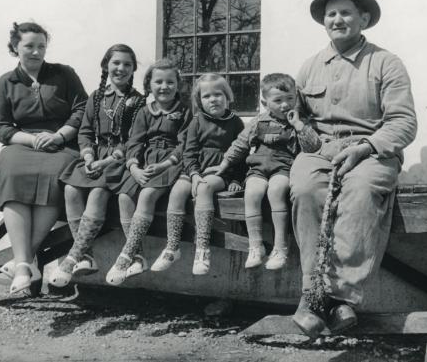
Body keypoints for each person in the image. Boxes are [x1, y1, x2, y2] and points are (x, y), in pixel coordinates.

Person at [290, 0, 417, 336]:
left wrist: (365, 148)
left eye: (346, 12)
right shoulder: (310, 66)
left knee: (360, 193)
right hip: (320, 150)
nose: (337, 19)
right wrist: (297, 127)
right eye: (331, 14)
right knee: (303, 189)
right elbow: (293, 114)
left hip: (370, 150)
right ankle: (312, 291)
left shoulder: (386, 63)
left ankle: (337, 299)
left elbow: (404, 122)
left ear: (363, 18)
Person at [0, 21, 88, 294]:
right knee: (12, 174)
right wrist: (31, 139)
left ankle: (21, 264)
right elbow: (0, 127)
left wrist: (60, 135)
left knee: (55, 176)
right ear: (16, 47)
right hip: (22, 145)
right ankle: (26, 264)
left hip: (61, 145)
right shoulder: (6, 82)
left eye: (41, 46)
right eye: (29, 46)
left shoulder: (64, 74)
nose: (36, 52)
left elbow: (82, 109)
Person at [47, 44, 146, 287]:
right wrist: (89, 157)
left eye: (127, 64)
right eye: (116, 63)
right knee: (71, 190)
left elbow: (135, 139)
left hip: (119, 161)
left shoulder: (137, 102)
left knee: (98, 193)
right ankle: (87, 254)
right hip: (96, 157)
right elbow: (86, 131)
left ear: (133, 69)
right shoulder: (97, 96)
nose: (120, 68)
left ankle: (73, 257)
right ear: (106, 66)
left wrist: (106, 161)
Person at [210, 74, 321, 270]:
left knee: (276, 191)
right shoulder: (258, 122)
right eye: (277, 100)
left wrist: (298, 125)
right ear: (265, 102)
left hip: (284, 168)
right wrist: (225, 163)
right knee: (252, 193)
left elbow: (313, 146)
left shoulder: (299, 121)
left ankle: (280, 248)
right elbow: (240, 144)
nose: (285, 105)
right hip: (258, 168)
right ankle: (256, 246)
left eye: (290, 99)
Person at [105, 58, 192, 286]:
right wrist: (133, 167)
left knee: (146, 195)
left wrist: (165, 164)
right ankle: (138, 255)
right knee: (124, 197)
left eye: (170, 82)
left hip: (171, 162)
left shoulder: (185, 111)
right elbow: (134, 141)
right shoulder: (145, 111)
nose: (164, 87)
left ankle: (125, 255)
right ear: (149, 84)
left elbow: (186, 143)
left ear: (178, 84)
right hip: (144, 162)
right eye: (159, 82)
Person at [150, 73, 245, 275]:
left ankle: (202, 248)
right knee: (177, 191)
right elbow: (189, 151)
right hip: (196, 168)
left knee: (204, 188)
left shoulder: (235, 122)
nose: (213, 100)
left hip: (220, 171)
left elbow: (241, 155)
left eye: (218, 94)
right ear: (199, 100)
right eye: (207, 96)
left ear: (227, 96)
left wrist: (236, 178)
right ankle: (172, 247)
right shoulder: (197, 120)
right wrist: (193, 173)